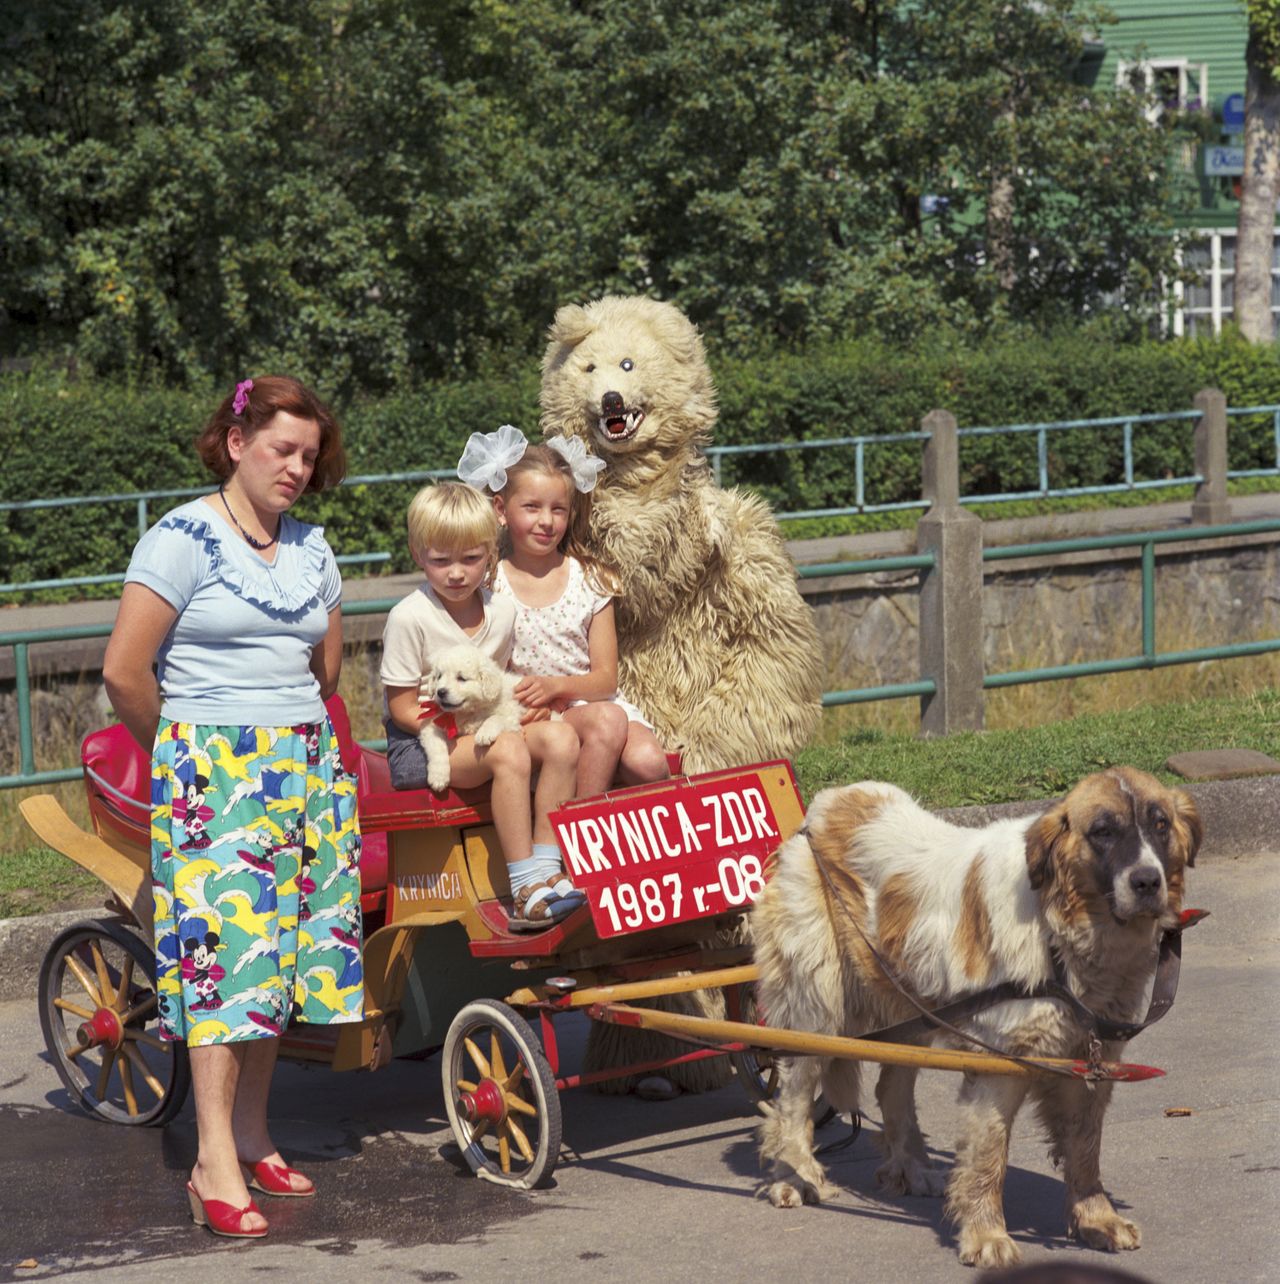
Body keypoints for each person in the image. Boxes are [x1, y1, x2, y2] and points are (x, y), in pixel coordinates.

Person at [102, 375, 364, 1240]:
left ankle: (253, 1131)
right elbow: (124, 671)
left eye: (309, 457)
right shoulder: (180, 538)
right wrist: (188, 754)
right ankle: (212, 1156)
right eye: (282, 450)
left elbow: (324, 672)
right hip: (214, 770)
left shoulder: (312, 549)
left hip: (305, 768)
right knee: (226, 966)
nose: (295, 468)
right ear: (237, 439)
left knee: (278, 958)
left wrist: (288, 737)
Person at [379, 481, 584, 930]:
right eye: (440, 560)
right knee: (509, 751)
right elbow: (402, 709)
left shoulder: (501, 612)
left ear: (491, 554)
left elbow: (497, 683)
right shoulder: (409, 618)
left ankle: (550, 865)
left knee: (562, 739)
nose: (456, 573)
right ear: (418, 555)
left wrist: (523, 711)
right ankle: (525, 885)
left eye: (471, 559)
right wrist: (471, 729)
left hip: (485, 723)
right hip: (425, 740)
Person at [458, 424, 670, 797]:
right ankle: (579, 833)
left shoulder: (591, 579)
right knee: (608, 722)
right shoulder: (490, 584)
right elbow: (486, 667)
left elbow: (605, 680)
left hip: (585, 699)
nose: (547, 521)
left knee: (649, 762)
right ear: (501, 509)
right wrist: (524, 704)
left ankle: (612, 823)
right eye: (532, 507)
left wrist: (556, 688)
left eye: (558, 509)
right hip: (529, 712)